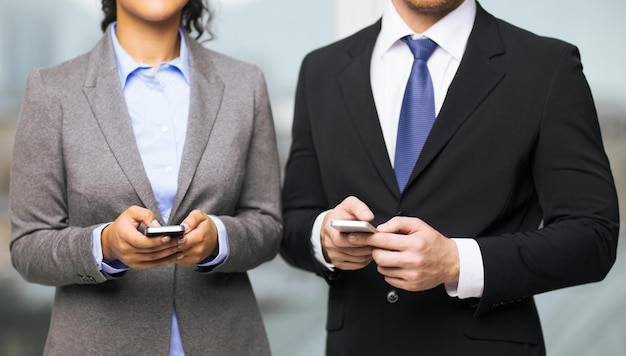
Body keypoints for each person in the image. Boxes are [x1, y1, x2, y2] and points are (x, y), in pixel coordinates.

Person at [280, 0, 620, 355]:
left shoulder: (546, 67)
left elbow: (593, 236)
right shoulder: (321, 69)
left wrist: (458, 262)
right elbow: (291, 223)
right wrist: (324, 238)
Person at [10, 0, 282, 355]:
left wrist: (220, 239)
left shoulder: (245, 84)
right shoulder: (52, 89)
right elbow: (28, 245)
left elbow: (268, 225)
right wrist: (105, 245)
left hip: (226, 340)